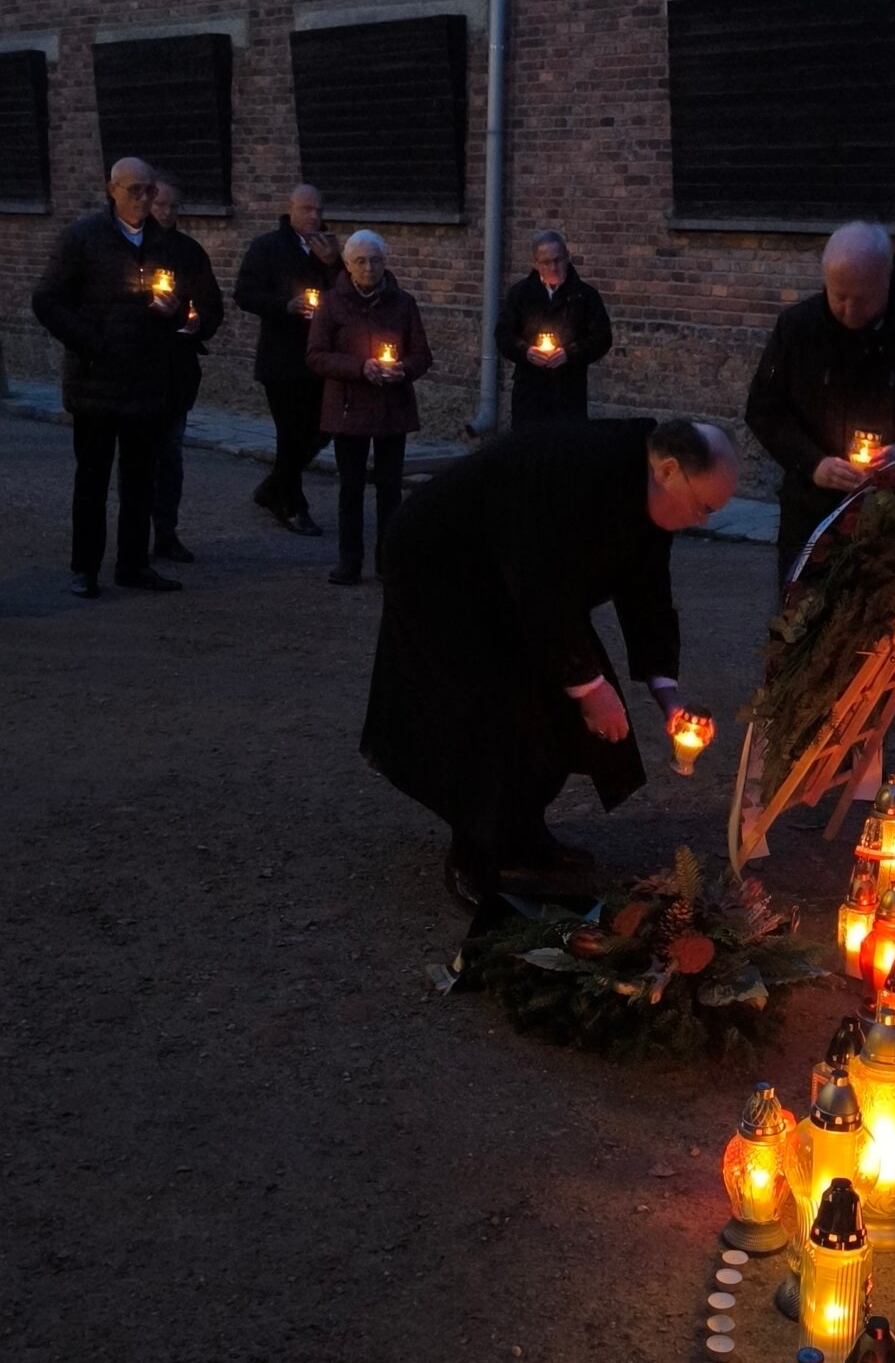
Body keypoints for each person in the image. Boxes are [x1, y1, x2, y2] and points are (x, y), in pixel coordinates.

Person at [362, 415, 737, 916]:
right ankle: (473, 854)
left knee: (550, 711)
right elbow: (539, 582)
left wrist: (667, 694)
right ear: (668, 471)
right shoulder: (580, 471)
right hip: (443, 569)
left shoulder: (649, 490)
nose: (703, 521)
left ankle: (522, 831)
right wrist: (588, 686)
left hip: (517, 587)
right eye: (703, 506)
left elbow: (647, 591)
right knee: (484, 709)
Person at [745, 221, 895, 587]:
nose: (849, 309)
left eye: (863, 298)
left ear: (886, 280)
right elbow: (765, 409)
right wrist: (812, 463)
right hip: (813, 514)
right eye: (839, 296)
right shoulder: (798, 329)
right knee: (803, 615)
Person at [31, 156, 192, 594]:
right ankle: (85, 567)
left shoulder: (164, 243)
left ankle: (133, 564)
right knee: (93, 479)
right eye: (134, 190)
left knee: (140, 479)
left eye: (149, 190)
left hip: (146, 379)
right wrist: (93, 344)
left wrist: (174, 311)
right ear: (112, 190)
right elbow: (47, 301)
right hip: (96, 381)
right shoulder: (82, 238)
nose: (143, 198)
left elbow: (182, 301)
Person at [306, 229, 433, 587]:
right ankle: (350, 561)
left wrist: (403, 368)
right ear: (347, 265)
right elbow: (316, 355)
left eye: (375, 260)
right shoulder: (332, 304)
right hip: (349, 407)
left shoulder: (403, 303)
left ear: (385, 262)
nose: (368, 268)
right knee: (351, 487)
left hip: (392, 406)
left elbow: (422, 355)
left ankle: (387, 560)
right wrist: (360, 367)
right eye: (360, 261)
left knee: (390, 489)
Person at [234, 184, 340, 535]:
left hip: (320, 356)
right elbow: (245, 294)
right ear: (290, 209)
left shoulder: (327, 248)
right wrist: (285, 305)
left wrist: (332, 263)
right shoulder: (268, 247)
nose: (315, 217)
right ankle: (292, 505)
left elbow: (344, 293)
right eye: (307, 210)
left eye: (319, 210)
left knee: (321, 430)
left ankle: (272, 488)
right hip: (281, 357)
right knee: (291, 433)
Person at [148, 173, 225, 564]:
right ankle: (135, 534)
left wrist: (199, 322)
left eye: (173, 206)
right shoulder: (131, 249)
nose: (166, 212)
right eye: (159, 205)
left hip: (177, 368)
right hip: (138, 368)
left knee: (171, 456)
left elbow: (212, 303)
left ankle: (166, 531)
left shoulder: (189, 252)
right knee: (138, 460)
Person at [494, 228, 613, 428]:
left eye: (558, 260)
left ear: (567, 257)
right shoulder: (520, 295)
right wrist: (526, 352)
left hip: (568, 392)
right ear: (535, 263)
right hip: (530, 392)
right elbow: (503, 335)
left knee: (565, 443)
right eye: (546, 262)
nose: (553, 267)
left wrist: (570, 353)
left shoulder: (584, 296)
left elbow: (602, 338)